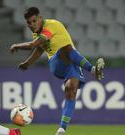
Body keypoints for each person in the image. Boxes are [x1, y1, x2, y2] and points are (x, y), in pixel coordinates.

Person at [9, 7, 105, 135]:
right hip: (57, 63)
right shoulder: (37, 35)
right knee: (67, 48)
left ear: (40, 18)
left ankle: (62, 129)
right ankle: (93, 70)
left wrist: (22, 54)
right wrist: (26, 60)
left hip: (73, 64)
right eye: (29, 23)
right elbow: (37, 47)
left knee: (71, 91)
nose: (32, 25)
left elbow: (35, 47)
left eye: (34, 21)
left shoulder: (52, 25)